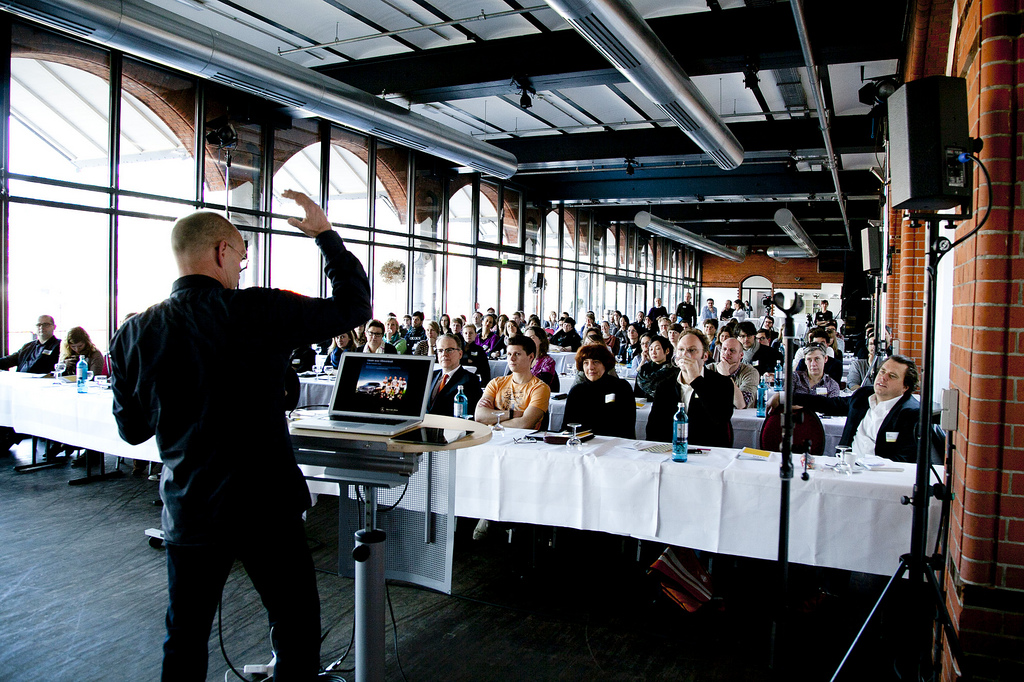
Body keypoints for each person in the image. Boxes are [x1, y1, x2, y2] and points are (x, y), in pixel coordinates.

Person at [109, 190, 371, 680]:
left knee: (184, 635)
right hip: (264, 502)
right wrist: (325, 236)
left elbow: (132, 430)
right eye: (242, 259)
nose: (240, 271)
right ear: (221, 252)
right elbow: (354, 307)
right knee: (294, 624)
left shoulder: (134, 331)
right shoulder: (258, 310)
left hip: (190, 506)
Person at [785, 355, 921, 462]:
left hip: (879, 478)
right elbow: (828, 404)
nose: (882, 378)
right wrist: (784, 397)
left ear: (906, 387)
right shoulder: (864, 395)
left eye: (892, 376)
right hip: (844, 466)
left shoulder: (911, 413)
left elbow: (904, 460)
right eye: (882, 371)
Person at [647, 330, 735, 447]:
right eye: (681, 350)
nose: (685, 355)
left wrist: (696, 380)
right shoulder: (665, 386)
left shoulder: (722, 384)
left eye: (692, 350)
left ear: (704, 356)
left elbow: (721, 418)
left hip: (709, 452)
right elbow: (653, 429)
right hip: (671, 452)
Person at [474, 334, 551, 430]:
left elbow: (524, 424)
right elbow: (479, 417)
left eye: (517, 354)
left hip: (523, 442)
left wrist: (493, 420)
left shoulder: (540, 388)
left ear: (531, 357)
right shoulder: (496, 383)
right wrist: (512, 414)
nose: (512, 358)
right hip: (493, 440)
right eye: (509, 354)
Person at [563, 344, 636, 439]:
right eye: (586, 363)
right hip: (583, 444)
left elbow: (627, 426)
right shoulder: (577, 391)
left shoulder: (621, 387)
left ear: (605, 364)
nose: (590, 367)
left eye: (595, 362)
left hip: (615, 445)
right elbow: (567, 426)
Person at [428, 333, 482, 417]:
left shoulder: (471, 380)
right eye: (440, 350)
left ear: (460, 354)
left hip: (452, 427)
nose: (444, 354)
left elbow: (473, 414)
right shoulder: (430, 376)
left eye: (449, 350)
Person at [710, 337, 760, 409]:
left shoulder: (750, 372)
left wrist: (726, 375)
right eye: (724, 349)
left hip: (741, 418)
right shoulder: (710, 369)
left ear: (741, 355)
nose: (727, 353)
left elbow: (741, 404)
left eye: (732, 350)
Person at [634, 335, 678, 400]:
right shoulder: (644, 369)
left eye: (657, 349)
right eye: (651, 349)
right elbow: (637, 394)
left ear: (667, 351)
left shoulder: (672, 371)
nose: (653, 352)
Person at [523, 325, 558, 393]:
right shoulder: (521, 359)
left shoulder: (548, 362)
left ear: (541, 340)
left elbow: (541, 384)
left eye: (532, 338)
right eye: (526, 338)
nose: (528, 341)